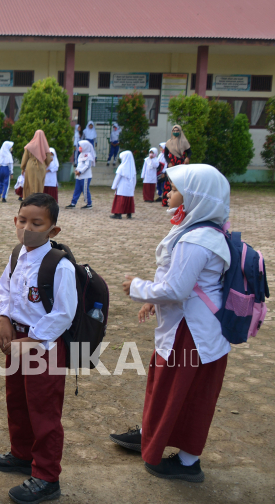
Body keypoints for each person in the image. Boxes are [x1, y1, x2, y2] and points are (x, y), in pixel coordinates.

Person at [114, 165, 231, 483]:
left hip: (192, 333)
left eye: (176, 188)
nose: (168, 192)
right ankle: (151, 433)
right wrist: (155, 297)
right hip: (190, 328)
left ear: (196, 197)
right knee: (165, 386)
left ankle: (187, 463)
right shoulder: (200, 230)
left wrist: (139, 288)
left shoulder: (198, 239)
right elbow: (183, 280)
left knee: (184, 392)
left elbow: (178, 289)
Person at [0, 193, 76, 504]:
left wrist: (33, 339)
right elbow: (5, 288)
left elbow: (64, 313)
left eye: (37, 223)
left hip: (43, 346)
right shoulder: (17, 254)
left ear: (53, 231)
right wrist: (4, 320)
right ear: (15, 221)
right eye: (22, 221)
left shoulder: (58, 264)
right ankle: (22, 454)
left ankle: (47, 477)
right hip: (17, 340)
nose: (27, 228)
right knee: (17, 400)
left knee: (44, 410)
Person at [161, 125, 191, 206]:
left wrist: (187, 158)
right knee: (169, 182)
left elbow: (189, 152)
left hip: (181, 164)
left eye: (177, 131)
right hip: (172, 164)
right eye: (174, 131)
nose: (175, 132)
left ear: (180, 131)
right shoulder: (169, 142)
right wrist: (169, 162)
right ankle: (167, 201)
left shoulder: (184, 142)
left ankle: (180, 201)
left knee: (180, 182)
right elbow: (165, 154)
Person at [20, 130, 53, 199]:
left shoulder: (29, 146)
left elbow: (24, 159)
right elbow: (48, 159)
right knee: (39, 184)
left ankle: (29, 199)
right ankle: (38, 200)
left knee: (30, 184)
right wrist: (46, 163)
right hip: (41, 166)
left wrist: (23, 167)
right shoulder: (45, 146)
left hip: (30, 166)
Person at [66, 140, 95, 209]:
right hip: (79, 176)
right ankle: (73, 203)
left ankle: (89, 204)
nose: (79, 147)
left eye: (81, 146)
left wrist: (80, 172)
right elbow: (79, 164)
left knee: (85, 190)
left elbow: (87, 166)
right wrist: (76, 171)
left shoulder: (88, 155)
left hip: (85, 176)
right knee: (77, 189)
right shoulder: (81, 155)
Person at [110, 150, 137, 219]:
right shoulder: (132, 168)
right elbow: (134, 179)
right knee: (129, 200)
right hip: (130, 188)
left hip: (122, 187)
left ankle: (118, 214)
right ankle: (129, 214)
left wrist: (114, 186)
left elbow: (117, 178)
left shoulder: (121, 167)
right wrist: (133, 187)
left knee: (120, 201)